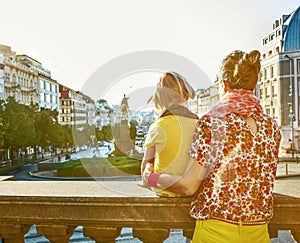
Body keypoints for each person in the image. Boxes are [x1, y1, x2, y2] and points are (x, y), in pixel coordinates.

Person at [142, 50, 282, 242]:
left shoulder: (213, 123)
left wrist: (151, 177)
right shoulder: (271, 126)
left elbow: (188, 186)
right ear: (254, 83)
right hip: (258, 232)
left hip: (215, 232)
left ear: (223, 85)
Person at [141, 71, 199, 196]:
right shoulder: (199, 125)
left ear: (161, 102)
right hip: (193, 192)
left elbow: (145, 173)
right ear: (186, 96)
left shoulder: (157, 127)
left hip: (163, 191)